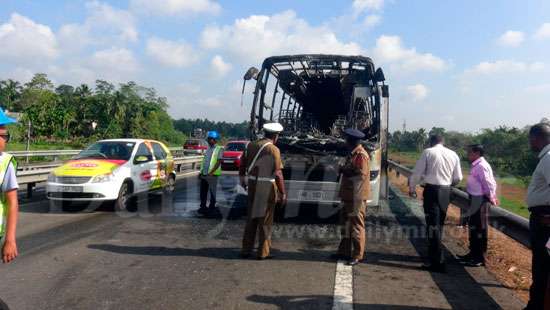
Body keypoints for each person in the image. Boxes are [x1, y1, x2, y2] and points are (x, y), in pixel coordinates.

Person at [409, 134, 462, 273]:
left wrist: (412, 188)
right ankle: (435, 257)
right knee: (439, 225)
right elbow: (458, 178)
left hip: (432, 191)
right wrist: (448, 185)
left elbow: (417, 173)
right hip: (446, 191)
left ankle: (438, 262)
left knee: (433, 226)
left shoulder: (428, 152)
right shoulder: (453, 154)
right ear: (443, 142)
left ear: (431, 142)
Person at [240, 123, 286, 260]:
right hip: (266, 186)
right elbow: (278, 173)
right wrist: (283, 192)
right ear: (275, 136)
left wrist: (242, 180)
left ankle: (246, 250)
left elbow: (242, 165)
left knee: (251, 219)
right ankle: (263, 252)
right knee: (265, 220)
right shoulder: (273, 150)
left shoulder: (250, 145)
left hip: (252, 184)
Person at [331, 128, 370, 266]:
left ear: (351, 141)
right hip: (349, 195)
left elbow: (361, 175)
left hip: (356, 196)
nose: (345, 142)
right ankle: (344, 252)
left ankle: (358, 255)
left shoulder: (360, 155)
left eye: (347, 139)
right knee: (346, 225)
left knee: (356, 227)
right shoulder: (353, 154)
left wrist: (343, 170)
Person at [457, 144, 498, 267]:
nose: (468, 155)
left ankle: (479, 258)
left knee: (480, 229)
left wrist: (491, 197)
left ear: (477, 153)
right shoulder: (477, 165)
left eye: (470, 152)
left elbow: (489, 183)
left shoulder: (481, 166)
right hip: (475, 199)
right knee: (474, 228)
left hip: (481, 200)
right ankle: (473, 254)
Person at [525, 122, 550, 310]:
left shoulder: (549, 157)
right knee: (541, 266)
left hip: (545, 219)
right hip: (543, 217)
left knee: (541, 267)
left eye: (530, 139)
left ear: (536, 138)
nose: (529, 143)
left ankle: (536, 306)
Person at [0, 108, 19, 264]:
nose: (3, 140)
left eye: (5, 136)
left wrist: (10, 240)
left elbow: (12, 202)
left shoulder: (6, 163)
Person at [198, 130, 224, 216]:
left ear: (215, 140)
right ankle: (203, 207)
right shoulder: (208, 149)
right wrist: (201, 172)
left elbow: (219, 161)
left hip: (213, 174)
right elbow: (205, 161)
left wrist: (211, 172)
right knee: (203, 192)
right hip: (204, 174)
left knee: (212, 192)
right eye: (208, 139)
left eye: (211, 139)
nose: (209, 141)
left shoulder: (219, 149)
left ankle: (212, 207)